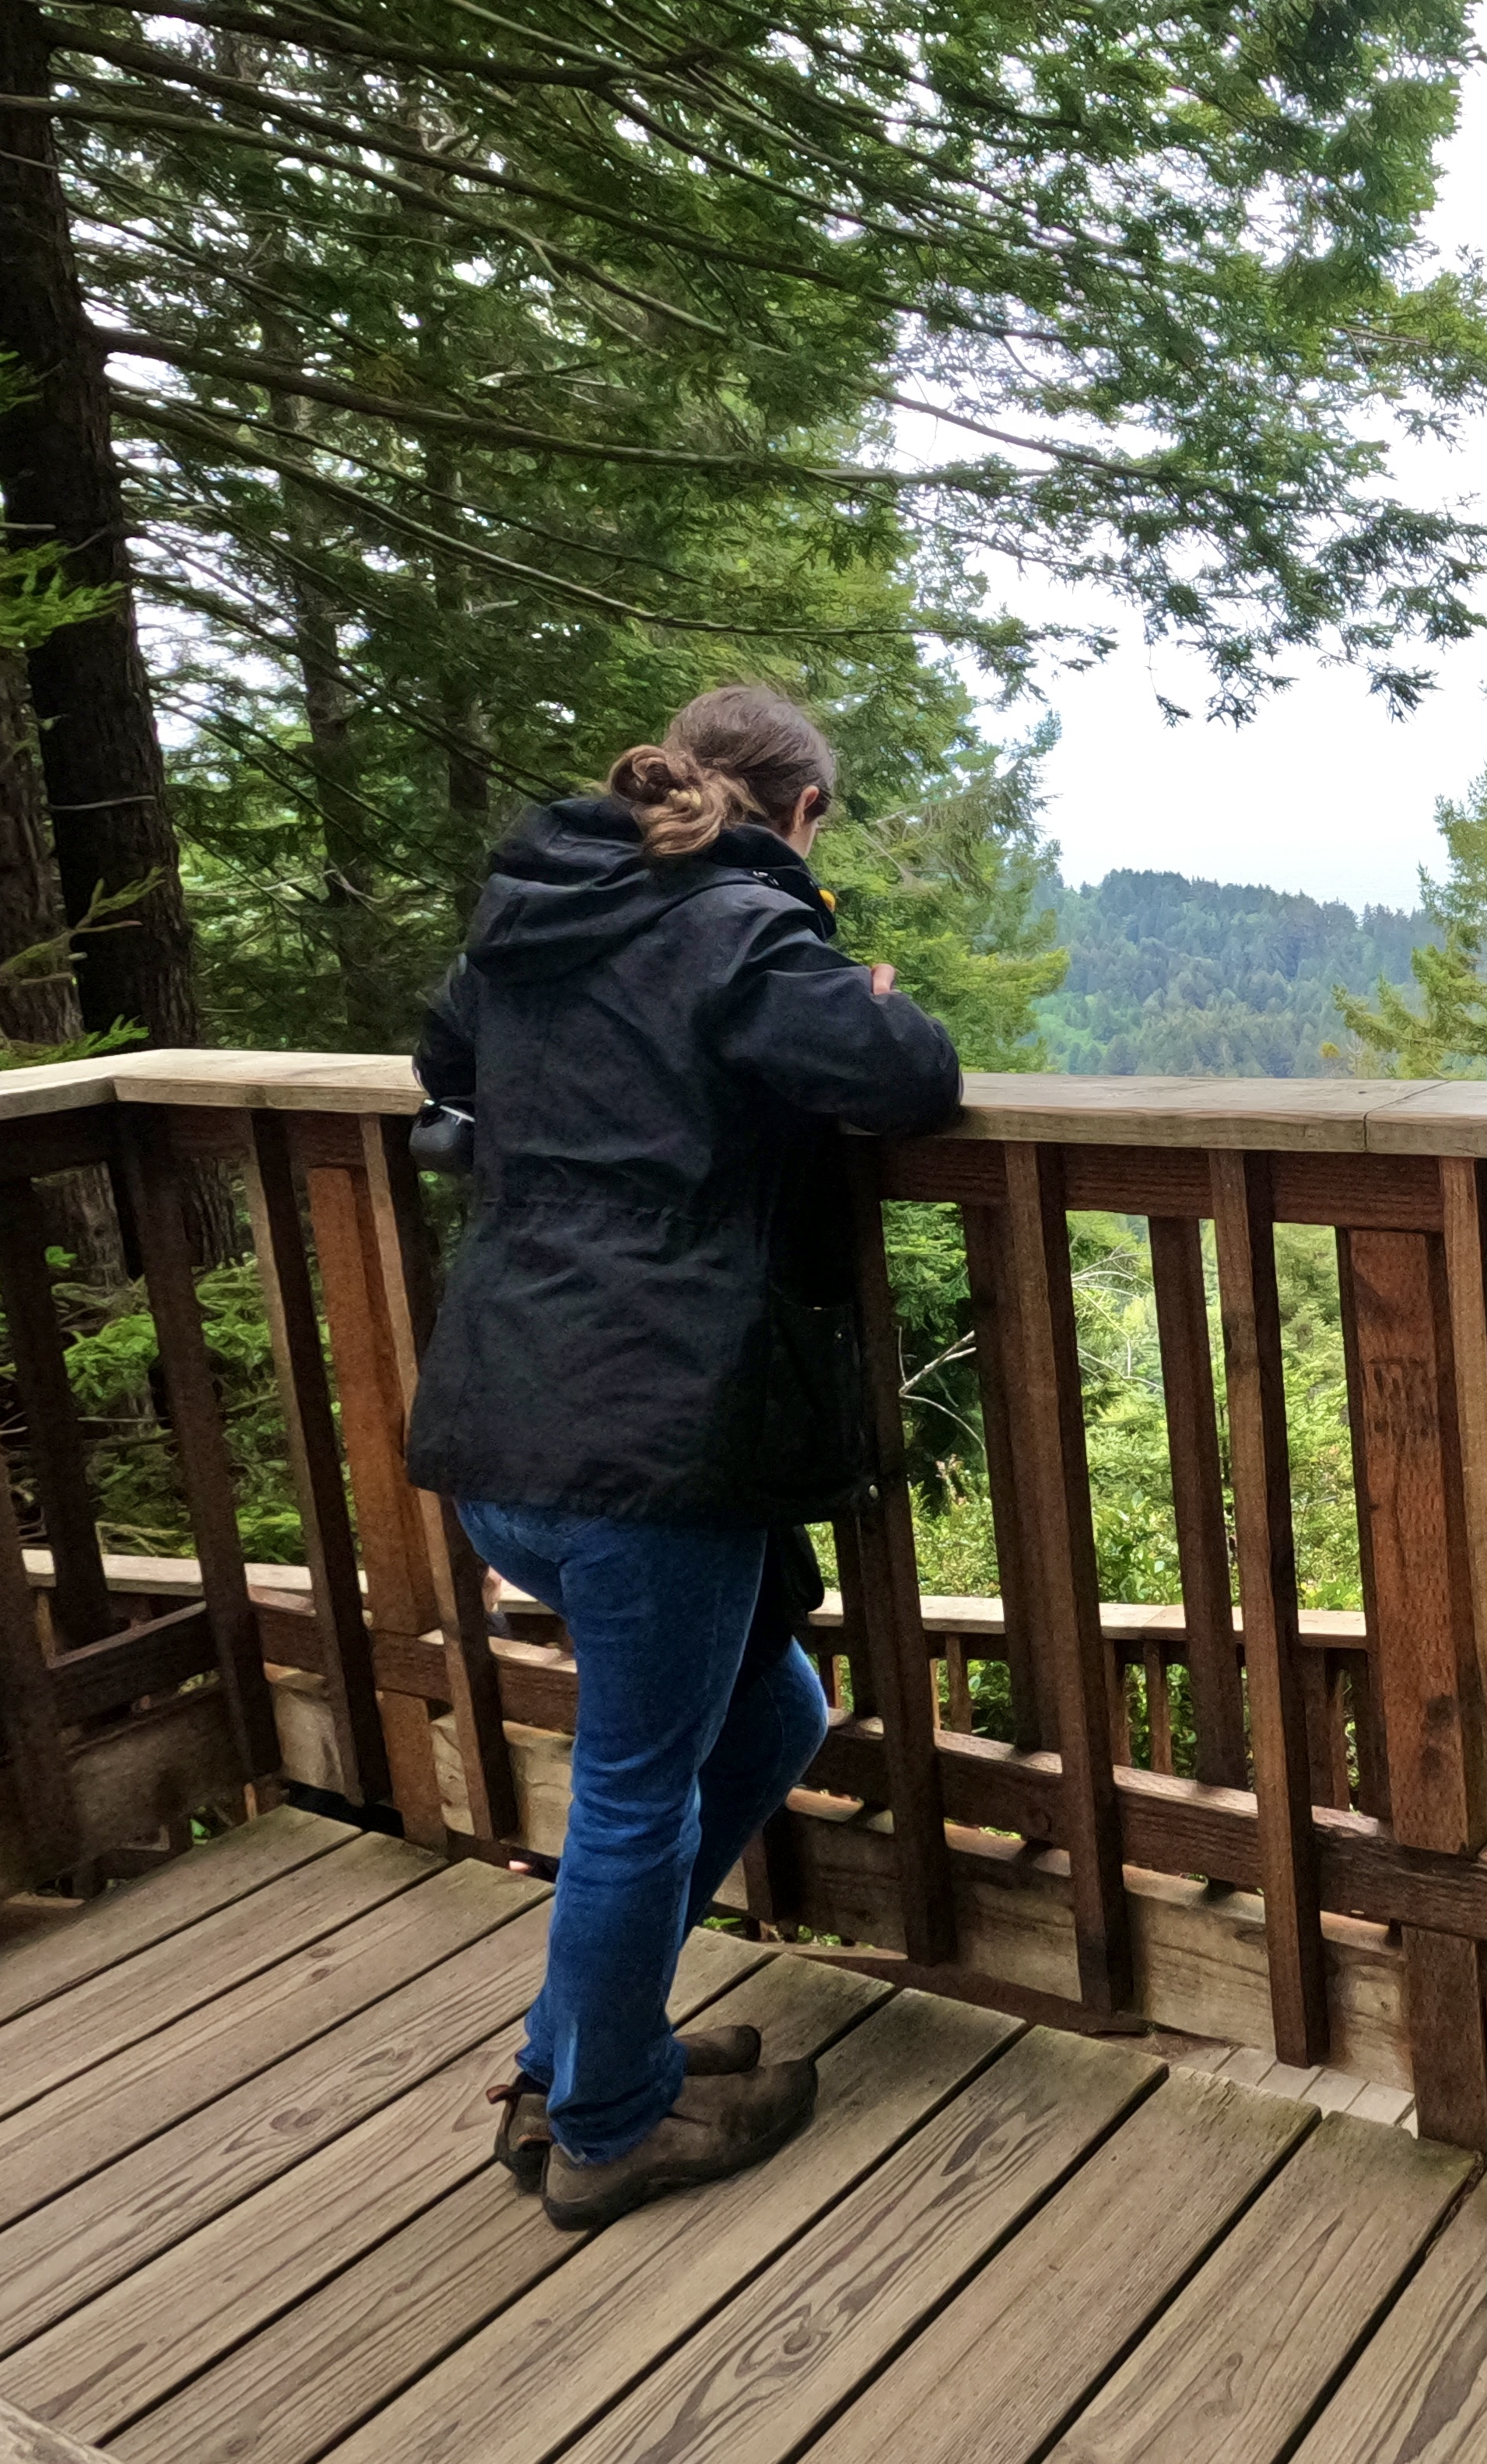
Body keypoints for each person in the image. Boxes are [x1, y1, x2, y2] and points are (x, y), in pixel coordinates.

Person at [405, 685, 960, 2229]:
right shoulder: (737, 928)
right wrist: (853, 981)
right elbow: (908, 1076)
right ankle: (602, 2126)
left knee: (772, 1711)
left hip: (506, 1418)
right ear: (800, 814)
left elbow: (445, 1060)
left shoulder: (531, 919)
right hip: (648, 1438)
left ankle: (586, 2049)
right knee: (633, 1793)